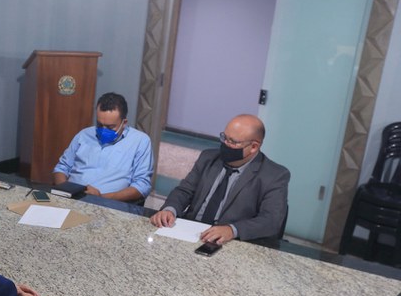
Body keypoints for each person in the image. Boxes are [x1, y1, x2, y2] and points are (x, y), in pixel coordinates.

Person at [150, 114, 290, 243]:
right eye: (224, 137)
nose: (226, 144)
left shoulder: (274, 175)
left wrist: (232, 230)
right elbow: (184, 191)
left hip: (231, 241)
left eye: (233, 141)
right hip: (189, 232)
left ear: (254, 147)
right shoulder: (209, 158)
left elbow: (271, 221)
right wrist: (170, 209)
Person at [53, 92, 154, 202]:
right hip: (70, 198)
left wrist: (101, 197)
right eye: (100, 125)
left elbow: (142, 186)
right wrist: (65, 191)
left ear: (124, 123)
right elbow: (62, 168)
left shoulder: (140, 141)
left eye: (110, 127)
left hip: (109, 203)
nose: (103, 130)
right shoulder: (84, 135)